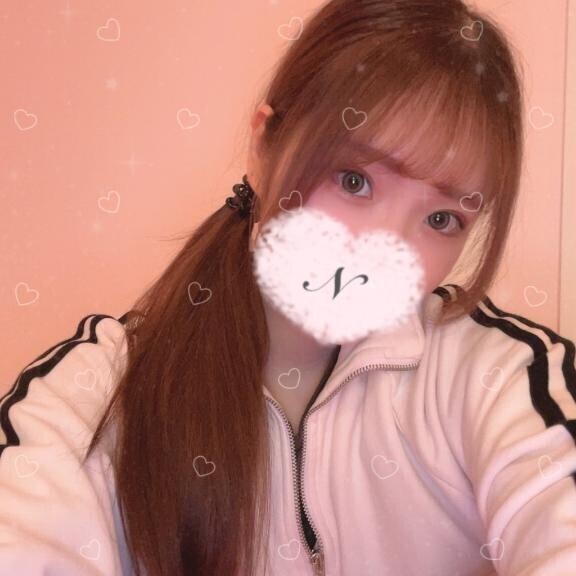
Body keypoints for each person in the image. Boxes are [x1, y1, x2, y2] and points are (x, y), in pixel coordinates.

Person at [1, 0, 575, 575]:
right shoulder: (96, 393)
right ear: (263, 146)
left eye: (441, 219)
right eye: (354, 180)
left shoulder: (499, 376)